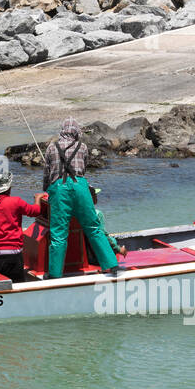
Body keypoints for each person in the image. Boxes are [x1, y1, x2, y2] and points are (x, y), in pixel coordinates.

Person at [43, 118, 120, 278]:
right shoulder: (83, 147)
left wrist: (47, 191)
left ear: (62, 130)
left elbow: (47, 173)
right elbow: (83, 168)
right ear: (77, 131)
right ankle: (111, 265)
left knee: (58, 233)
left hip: (59, 189)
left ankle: (55, 274)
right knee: (93, 227)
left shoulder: (51, 147)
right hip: (80, 186)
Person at [0, 170, 41, 282]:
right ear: (8, 189)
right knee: (17, 286)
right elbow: (35, 211)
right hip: (13, 255)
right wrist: (38, 199)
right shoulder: (15, 202)